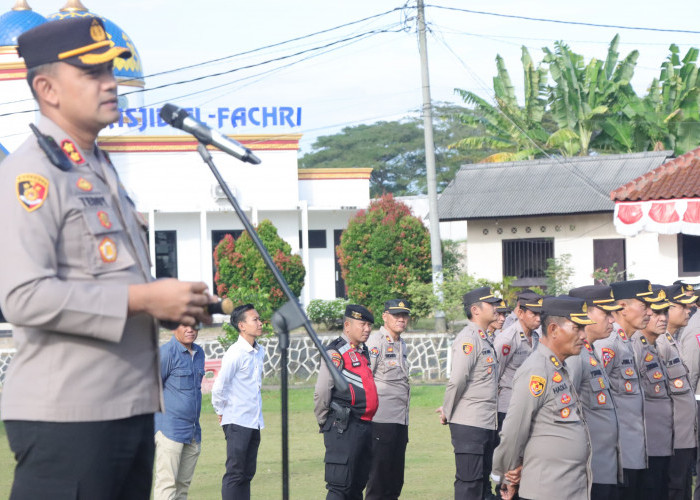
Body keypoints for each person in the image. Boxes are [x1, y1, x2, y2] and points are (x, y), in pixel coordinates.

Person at [0, 17, 214, 499]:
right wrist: (142, 298)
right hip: (70, 417)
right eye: (93, 73)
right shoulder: (30, 174)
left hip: (130, 408)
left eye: (111, 71)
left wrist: (174, 304)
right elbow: (22, 296)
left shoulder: (97, 168)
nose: (111, 84)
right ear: (47, 88)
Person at [492, 296, 593, 500]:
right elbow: (514, 430)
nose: (584, 336)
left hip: (569, 486)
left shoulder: (559, 367)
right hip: (547, 489)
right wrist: (506, 476)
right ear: (554, 329)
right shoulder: (536, 371)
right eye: (577, 328)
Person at [595, 279, 659, 500]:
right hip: (618, 455)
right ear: (622, 307)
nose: (650, 313)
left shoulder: (629, 341)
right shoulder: (608, 344)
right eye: (644, 306)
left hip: (636, 451)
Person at [437, 286, 500, 499]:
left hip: (485, 421)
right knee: (469, 483)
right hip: (470, 423)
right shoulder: (468, 338)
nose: (495, 308)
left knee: (482, 483)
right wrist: (447, 409)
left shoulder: (484, 337)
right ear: (476, 310)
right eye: (490, 304)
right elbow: (457, 380)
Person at [314, 304, 378, 500]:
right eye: (362, 324)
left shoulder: (362, 350)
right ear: (348, 326)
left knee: (357, 485)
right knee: (340, 486)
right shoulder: (336, 352)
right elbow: (322, 389)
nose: (367, 329)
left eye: (369, 325)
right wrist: (325, 420)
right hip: (343, 426)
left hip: (363, 426)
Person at [568, 285, 623, 500]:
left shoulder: (590, 352)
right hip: (589, 469)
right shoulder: (574, 357)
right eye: (606, 313)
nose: (612, 320)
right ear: (585, 313)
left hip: (604, 465)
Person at [212, 304, 265, 500]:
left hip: (254, 420)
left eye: (259, 319)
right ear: (242, 325)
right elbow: (219, 386)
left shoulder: (259, 351)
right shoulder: (235, 353)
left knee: (247, 473)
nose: (260, 323)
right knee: (235, 473)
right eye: (255, 320)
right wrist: (220, 410)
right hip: (237, 420)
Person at [365, 300, 411, 500]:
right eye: (396, 315)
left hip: (400, 420)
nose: (401, 319)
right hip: (380, 420)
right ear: (385, 317)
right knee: (378, 480)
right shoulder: (375, 343)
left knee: (395, 480)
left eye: (404, 315)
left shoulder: (401, 344)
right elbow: (365, 379)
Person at [154, 324, 206, 500]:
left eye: (194, 325)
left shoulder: (199, 353)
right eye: (185, 325)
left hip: (192, 431)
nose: (190, 329)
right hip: (170, 429)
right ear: (173, 327)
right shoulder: (166, 353)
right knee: (167, 484)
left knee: (183, 487)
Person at [656, 284, 698, 500]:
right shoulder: (659, 344)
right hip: (670, 437)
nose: (689, 310)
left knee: (682, 487)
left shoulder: (671, 340)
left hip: (683, 434)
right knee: (673, 489)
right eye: (683, 306)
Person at [631, 289, 673, 500]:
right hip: (647, 446)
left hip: (661, 442)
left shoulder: (654, 346)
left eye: (665, 312)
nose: (663, 318)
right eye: (657, 312)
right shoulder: (635, 348)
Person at [493, 291, 543, 429]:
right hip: (507, 407)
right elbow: (494, 374)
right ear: (520, 313)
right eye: (534, 314)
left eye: (540, 314)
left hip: (529, 404)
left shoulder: (536, 337)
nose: (539, 319)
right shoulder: (507, 339)